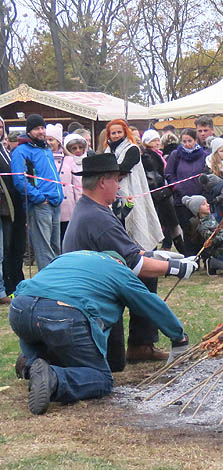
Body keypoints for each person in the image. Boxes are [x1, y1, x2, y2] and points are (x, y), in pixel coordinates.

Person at [9, 250, 189, 415]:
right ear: (120, 262)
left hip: (20, 309)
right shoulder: (119, 271)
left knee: (49, 340)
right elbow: (151, 304)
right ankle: (55, 379)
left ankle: (31, 364)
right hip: (63, 315)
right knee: (101, 378)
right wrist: (178, 336)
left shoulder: (69, 257)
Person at [63, 153, 198, 369]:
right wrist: (177, 268)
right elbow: (135, 265)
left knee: (115, 359)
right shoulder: (98, 217)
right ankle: (49, 362)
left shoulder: (89, 208)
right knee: (111, 365)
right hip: (88, 305)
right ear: (102, 181)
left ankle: (141, 345)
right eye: (116, 179)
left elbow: (129, 253)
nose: (119, 185)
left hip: (86, 296)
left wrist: (160, 256)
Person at [11, 114, 64, 270]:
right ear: (29, 131)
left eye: (42, 127)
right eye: (36, 128)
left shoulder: (46, 149)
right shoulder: (21, 151)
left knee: (55, 249)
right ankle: (47, 286)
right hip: (40, 205)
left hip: (55, 203)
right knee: (44, 249)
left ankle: (58, 282)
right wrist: (38, 198)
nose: (41, 131)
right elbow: (19, 180)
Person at [105, 120, 164, 253]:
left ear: (125, 133)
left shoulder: (132, 149)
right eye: (113, 133)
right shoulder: (107, 150)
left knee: (139, 224)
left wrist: (107, 171)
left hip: (133, 192)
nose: (116, 135)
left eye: (119, 132)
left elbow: (124, 168)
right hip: (113, 195)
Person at [165, 128, 208, 255]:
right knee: (187, 228)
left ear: (195, 140)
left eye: (190, 141)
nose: (187, 144)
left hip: (200, 198)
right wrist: (177, 187)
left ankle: (205, 256)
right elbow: (168, 174)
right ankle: (190, 257)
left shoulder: (204, 156)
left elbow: (208, 175)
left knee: (202, 228)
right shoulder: (175, 155)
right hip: (181, 199)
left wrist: (203, 190)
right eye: (184, 141)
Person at [141, 129, 184, 253]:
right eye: (153, 140)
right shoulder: (148, 156)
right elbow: (153, 176)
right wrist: (163, 189)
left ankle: (180, 251)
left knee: (170, 225)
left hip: (161, 193)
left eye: (157, 139)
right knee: (165, 224)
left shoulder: (157, 154)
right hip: (159, 195)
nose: (157, 142)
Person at [0, 116, 26, 303]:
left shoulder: (5, 150)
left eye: (1, 126)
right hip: (2, 207)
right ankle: (3, 289)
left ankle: (13, 285)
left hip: (10, 207)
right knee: (2, 250)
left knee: (12, 248)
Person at [59, 134, 86, 241]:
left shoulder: (89, 160)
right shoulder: (66, 162)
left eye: (80, 147)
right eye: (74, 148)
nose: (78, 150)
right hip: (70, 206)